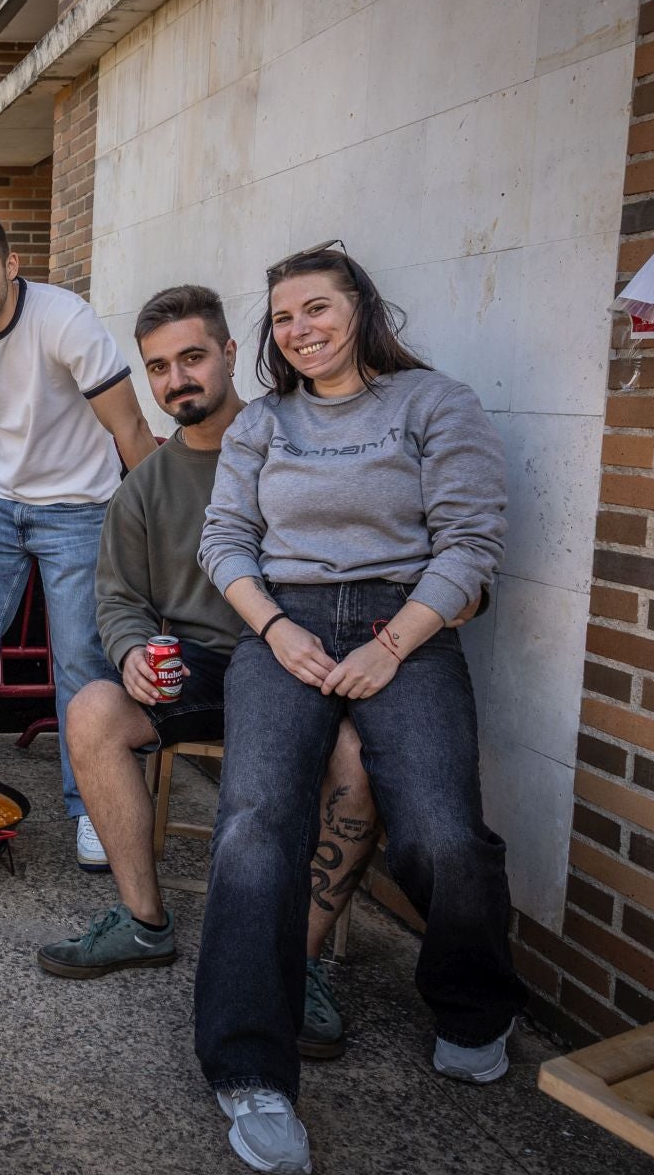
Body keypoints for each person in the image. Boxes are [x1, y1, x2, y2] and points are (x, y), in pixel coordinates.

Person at [195, 243, 525, 1174]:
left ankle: (473, 1001)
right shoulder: (262, 425)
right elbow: (226, 542)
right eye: (284, 318)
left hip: (405, 619)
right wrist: (272, 631)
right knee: (256, 828)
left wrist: (392, 645)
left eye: (316, 308)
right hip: (284, 619)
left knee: (441, 834)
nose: (299, 330)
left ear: (361, 308)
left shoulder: (435, 405)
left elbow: (470, 543)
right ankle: (250, 1070)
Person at [34, 284, 386, 1062]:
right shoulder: (147, 485)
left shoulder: (295, 446)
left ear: (229, 355)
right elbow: (117, 597)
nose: (175, 380)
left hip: (301, 661)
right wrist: (132, 655)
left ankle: (295, 962)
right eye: (158, 368)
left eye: (191, 358)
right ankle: (142, 921)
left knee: (360, 760)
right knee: (92, 709)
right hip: (201, 668)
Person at [0, 212, 157, 859]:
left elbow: (132, 430)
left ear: (10, 266)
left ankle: (92, 809)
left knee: (81, 664)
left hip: (82, 505)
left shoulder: (64, 319)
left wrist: (168, 535)